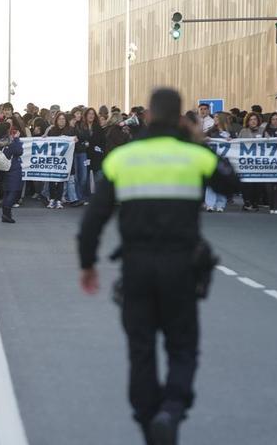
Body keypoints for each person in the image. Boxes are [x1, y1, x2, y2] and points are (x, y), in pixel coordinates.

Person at [77, 88, 239, 445]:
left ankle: (150, 422)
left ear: (148, 115)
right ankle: (172, 410)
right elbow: (231, 183)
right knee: (182, 347)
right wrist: (199, 142)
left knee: (141, 350)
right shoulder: (193, 153)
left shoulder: (125, 157)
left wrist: (87, 264)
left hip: (136, 268)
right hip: (182, 268)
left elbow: (94, 219)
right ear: (181, 117)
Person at [237, 112, 265, 211]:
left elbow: (271, 143)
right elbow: (236, 144)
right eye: (251, 119)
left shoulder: (263, 131)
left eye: (255, 119)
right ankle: (247, 202)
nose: (253, 121)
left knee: (257, 184)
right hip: (246, 162)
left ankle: (255, 202)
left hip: (258, 163)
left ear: (258, 121)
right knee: (246, 184)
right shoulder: (243, 131)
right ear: (248, 121)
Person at [0, 121, 24, 223]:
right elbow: (19, 151)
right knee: (14, 191)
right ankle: (6, 211)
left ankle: (6, 214)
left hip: (3, 167)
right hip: (13, 168)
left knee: (7, 191)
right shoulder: (10, 141)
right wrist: (17, 139)